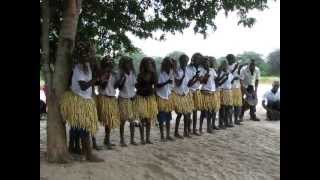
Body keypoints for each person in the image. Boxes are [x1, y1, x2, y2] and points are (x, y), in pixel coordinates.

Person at [60, 41, 103, 162]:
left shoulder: (87, 66)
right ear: (83, 55)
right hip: (78, 100)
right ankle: (89, 154)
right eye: (90, 54)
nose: (92, 56)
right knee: (84, 128)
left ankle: (73, 148)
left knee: (78, 127)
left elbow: (98, 74)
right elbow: (84, 86)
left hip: (83, 99)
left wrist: (96, 65)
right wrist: (95, 79)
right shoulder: (78, 67)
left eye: (92, 54)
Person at [96, 56, 121, 149]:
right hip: (104, 98)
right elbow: (102, 86)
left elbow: (114, 87)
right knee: (105, 119)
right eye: (108, 65)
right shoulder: (101, 74)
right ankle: (95, 141)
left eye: (111, 64)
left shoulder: (114, 74)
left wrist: (120, 80)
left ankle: (107, 140)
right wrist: (106, 76)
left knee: (110, 121)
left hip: (112, 99)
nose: (110, 66)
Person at [134, 57, 158, 144]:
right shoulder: (140, 75)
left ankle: (147, 138)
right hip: (141, 97)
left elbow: (155, 86)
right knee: (142, 119)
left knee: (148, 120)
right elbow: (137, 86)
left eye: (151, 64)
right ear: (144, 65)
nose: (149, 65)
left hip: (150, 98)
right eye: (147, 64)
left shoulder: (154, 75)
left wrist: (153, 92)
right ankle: (142, 139)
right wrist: (142, 89)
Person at [117, 56, 139, 146]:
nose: (129, 65)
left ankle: (132, 140)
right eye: (127, 63)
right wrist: (123, 79)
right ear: (123, 64)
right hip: (123, 99)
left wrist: (136, 94)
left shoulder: (133, 74)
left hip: (131, 99)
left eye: (130, 63)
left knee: (132, 121)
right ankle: (122, 140)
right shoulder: (120, 74)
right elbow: (119, 87)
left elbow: (136, 86)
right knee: (122, 120)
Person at [172, 55, 194, 138]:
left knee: (187, 114)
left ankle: (185, 131)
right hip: (179, 95)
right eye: (183, 61)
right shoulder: (177, 71)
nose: (185, 62)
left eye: (186, 61)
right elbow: (177, 84)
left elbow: (189, 84)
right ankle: (176, 132)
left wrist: (194, 79)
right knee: (180, 114)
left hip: (186, 94)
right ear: (180, 61)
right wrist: (183, 75)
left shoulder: (188, 71)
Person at [156, 57, 175, 142]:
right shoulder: (160, 74)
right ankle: (162, 136)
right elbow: (158, 86)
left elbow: (172, 86)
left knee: (168, 118)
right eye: (167, 64)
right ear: (164, 65)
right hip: (161, 97)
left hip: (168, 97)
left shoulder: (171, 73)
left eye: (170, 64)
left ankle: (168, 135)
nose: (169, 66)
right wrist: (167, 82)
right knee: (161, 118)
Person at [187, 53, 205, 136]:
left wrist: (200, 79)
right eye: (197, 59)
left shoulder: (201, 69)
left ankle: (194, 129)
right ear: (193, 59)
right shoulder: (188, 68)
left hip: (197, 91)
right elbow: (188, 84)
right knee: (188, 112)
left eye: (199, 59)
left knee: (195, 111)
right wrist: (196, 78)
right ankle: (188, 129)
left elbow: (201, 82)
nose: (198, 60)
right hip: (189, 91)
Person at [199, 56, 218, 134]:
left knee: (212, 111)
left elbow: (216, 79)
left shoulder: (212, 70)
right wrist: (206, 74)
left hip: (212, 92)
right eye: (205, 63)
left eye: (208, 62)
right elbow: (202, 82)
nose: (207, 64)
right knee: (204, 112)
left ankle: (210, 126)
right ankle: (202, 128)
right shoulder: (201, 71)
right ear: (203, 64)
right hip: (205, 92)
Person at [227, 54, 243, 125]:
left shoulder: (237, 65)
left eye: (234, 58)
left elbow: (240, 75)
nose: (234, 60)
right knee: (230, 105)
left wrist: (238, 69)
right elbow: (228, 75)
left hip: (237, 87)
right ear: (228, 59)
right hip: (230, 88)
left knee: (238, 105)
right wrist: (234, 69)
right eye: (232, 58)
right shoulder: (226, 66)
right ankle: (230, 121)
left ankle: (236, 119)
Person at [218, 60, 235, 128]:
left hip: (229, 92)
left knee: (229, 108)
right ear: (222, 66)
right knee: (223, 108)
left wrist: (233, 80)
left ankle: (227, 122)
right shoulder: (220, 73)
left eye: (226, 65)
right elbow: (219, 83)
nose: (226, 66)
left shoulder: (229, 73)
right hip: (223, 91)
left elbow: (230, 82)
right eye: (224, 65)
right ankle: (221, 123)